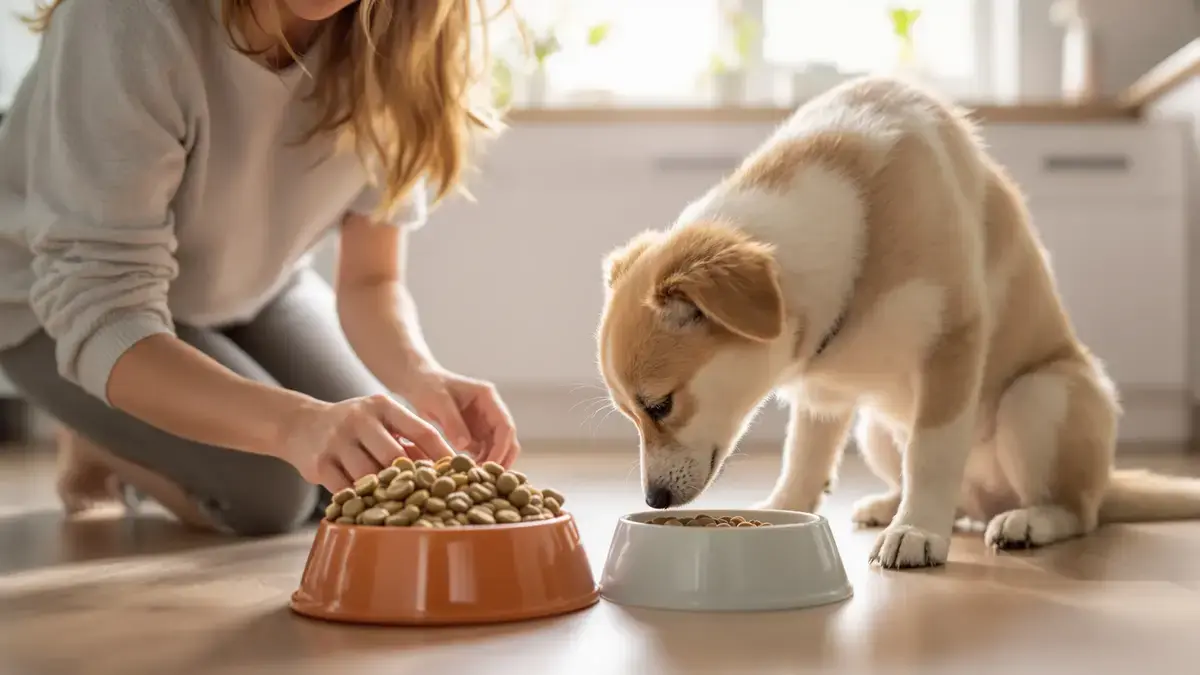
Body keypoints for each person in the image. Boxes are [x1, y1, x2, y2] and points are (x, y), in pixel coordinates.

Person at [0, 0, 520, 536]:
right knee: (270, 493)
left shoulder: (402, 38)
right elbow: (105, 316)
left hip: (253, 290)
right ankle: (98, 442)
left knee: (373, 462)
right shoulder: (123, 19)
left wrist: (423, 374)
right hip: (51, 309)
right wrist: (297, 424)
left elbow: (371, 282)